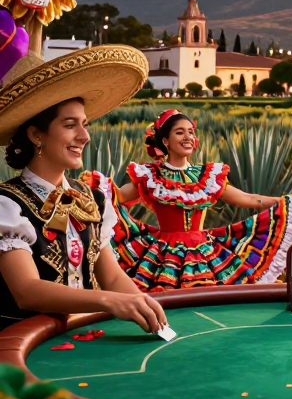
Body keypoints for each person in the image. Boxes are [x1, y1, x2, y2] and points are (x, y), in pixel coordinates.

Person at [0, 45, 167, 335]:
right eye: (70, 125)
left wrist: (144, 306)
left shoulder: (93, 198)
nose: (84, 135)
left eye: (85, 124)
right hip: (22, 348)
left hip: (80, 341)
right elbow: (26, 290)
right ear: (36, 134)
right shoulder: (7, 205)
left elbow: (112, 277)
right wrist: (107, 301)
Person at [92, 108, 292, 291]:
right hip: (163, 253)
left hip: (205, 250)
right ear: (165, 141)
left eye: (190, 132)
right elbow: (117, 197)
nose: (188, 137)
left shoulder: (207, 177)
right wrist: (91, 192)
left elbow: (247, 198)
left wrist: (283, 202)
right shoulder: (151, 176)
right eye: (180, 132)